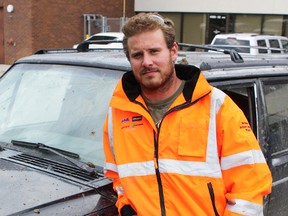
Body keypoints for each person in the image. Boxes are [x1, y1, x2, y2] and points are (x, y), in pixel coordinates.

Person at [103, 12, 272, 216]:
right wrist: (126, 204)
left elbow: (249, 187)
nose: (147, 62)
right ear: (130, 59)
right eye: (137, 55)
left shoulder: (216, 106)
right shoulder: (118, 113)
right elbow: (117, 174)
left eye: (154, 51)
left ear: (173, 51)